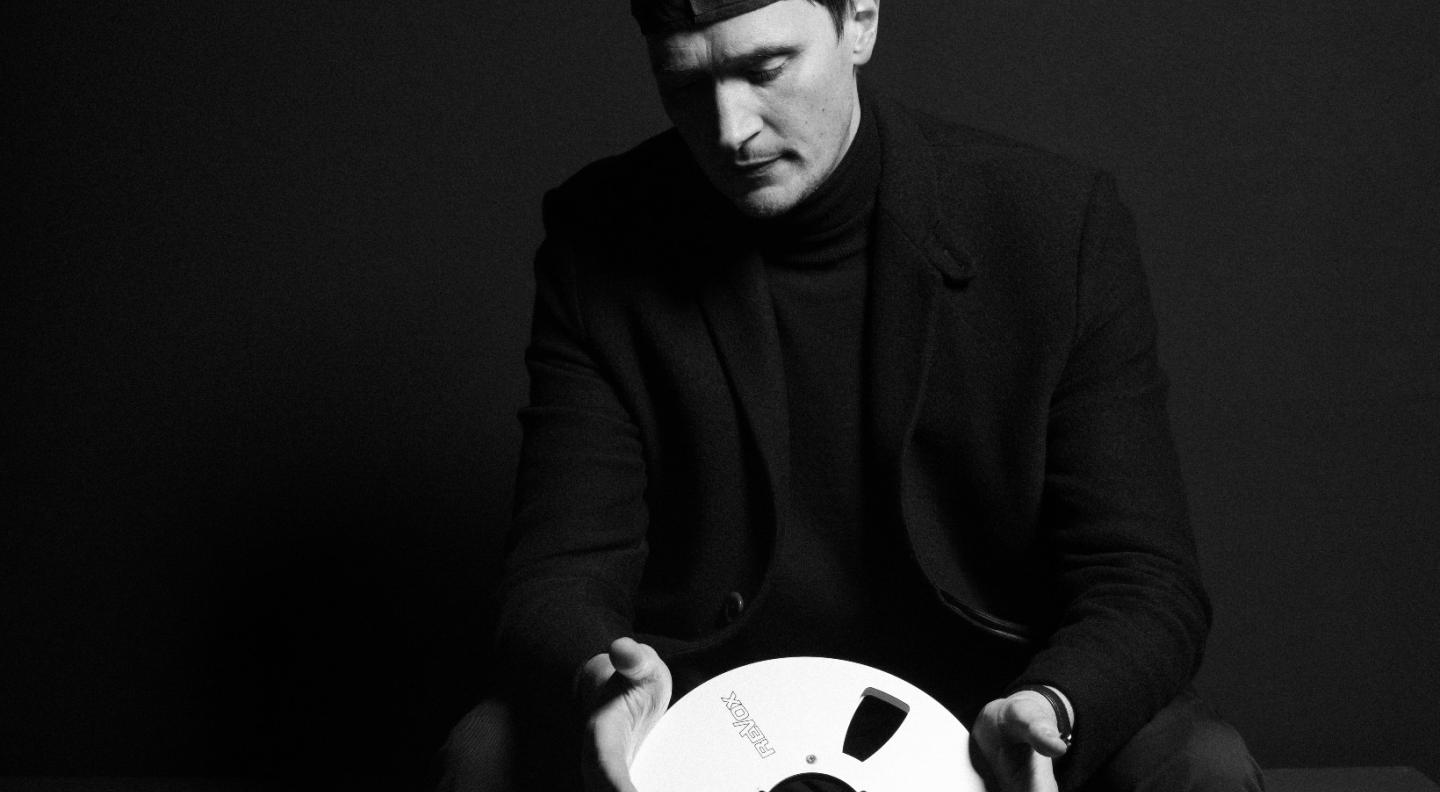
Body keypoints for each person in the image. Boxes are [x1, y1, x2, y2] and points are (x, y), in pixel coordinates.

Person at [447, 1, 1266, 790]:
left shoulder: (1056, 226)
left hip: (983, 711)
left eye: (765, 67)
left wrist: (1053, 708)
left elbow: (1144, 579)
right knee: (490, 751)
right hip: (712, 718)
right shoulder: (599, 237)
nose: (730, 129)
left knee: (1200, 765)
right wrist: (605, 682)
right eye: (686, 83)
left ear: (860, 20)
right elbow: (557, 576)